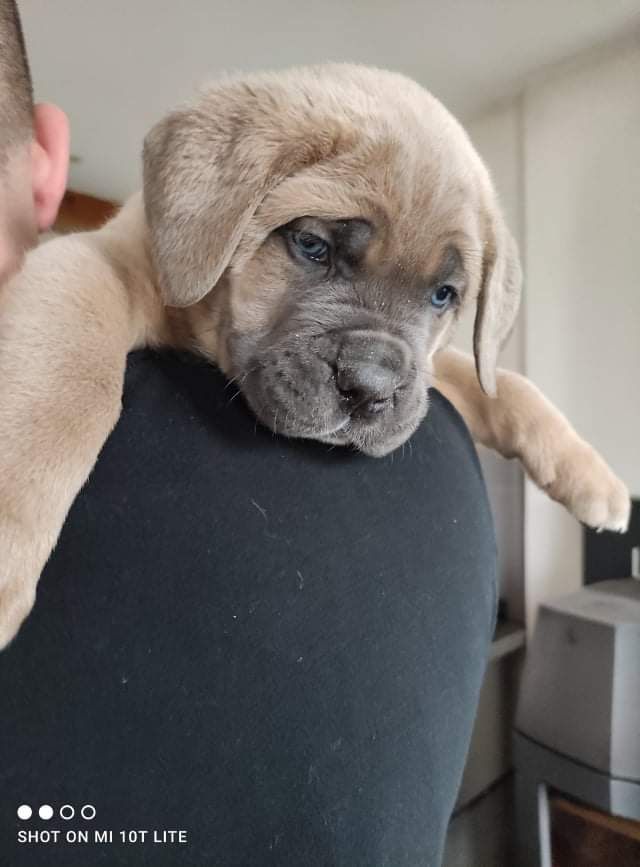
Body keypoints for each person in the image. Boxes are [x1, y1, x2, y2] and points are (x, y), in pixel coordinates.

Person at [0, 2, 498, 864]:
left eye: (440, 296)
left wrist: (531, 422)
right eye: (315, 247)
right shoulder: (452, 478)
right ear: (51, 157)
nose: (379, 374)